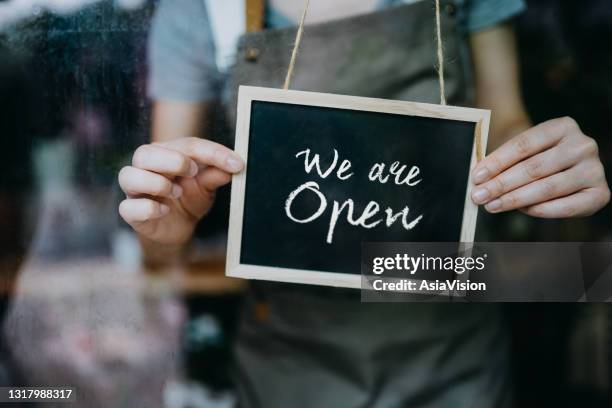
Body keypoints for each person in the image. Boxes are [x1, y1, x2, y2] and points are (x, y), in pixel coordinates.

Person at [118, 1, 610, 406]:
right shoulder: (201, 9)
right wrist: (167, 226)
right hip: (291, 369)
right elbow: (163, 245)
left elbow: (506, 127)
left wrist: (549, 167)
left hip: (455, 356)